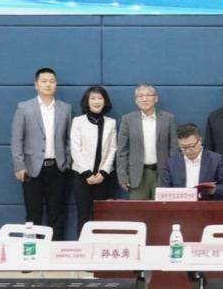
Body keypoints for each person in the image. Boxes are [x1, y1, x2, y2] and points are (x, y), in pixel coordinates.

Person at [10, 67, 72, 240]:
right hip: (31, 168)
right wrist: (19, 166)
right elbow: (17, 140)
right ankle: (33, 251)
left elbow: (69, 139)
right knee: (33, 213)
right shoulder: (24, 107)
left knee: (56, 213)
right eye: (44, 81)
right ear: (36, 85)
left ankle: (55, 250)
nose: (48, 84)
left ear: (56, 85)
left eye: (52, 81)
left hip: (58, 168)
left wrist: (67, 162)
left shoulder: (65, 109)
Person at [116, 83, 177, 200]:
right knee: (138, 210)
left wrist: (173, 173)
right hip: (137, 175)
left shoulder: (168, 118)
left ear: (156, 98)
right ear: (136, 100)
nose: (144, 99)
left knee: (162, 209)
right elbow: (122, 151)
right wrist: (122, 176)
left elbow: (174, 148)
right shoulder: (127, 119)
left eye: (148, 95)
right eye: (140, 96)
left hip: (162, 174)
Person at [70, 85, 117, 234]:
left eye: (100, 98)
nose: (96, 101)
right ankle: (82, 246)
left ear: (105, 101)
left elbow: (113, 149)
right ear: (87, 101)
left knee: (101, 216)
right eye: (93, 98)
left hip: (103, 176)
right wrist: (87, 173)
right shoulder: (78, 121)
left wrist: (103, 172)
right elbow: (75, 149)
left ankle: (100, 246)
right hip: (82, 175)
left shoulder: (111, 122)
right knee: (83, 216)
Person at [161, 123, 223, 199]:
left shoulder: (216, 160)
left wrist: (213, 190)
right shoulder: (171, 163)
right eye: (183, 147)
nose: (188, 151)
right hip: (181, 204)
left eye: (192, 146)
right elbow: (164, 190)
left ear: (200, 141)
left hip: (206, 204)